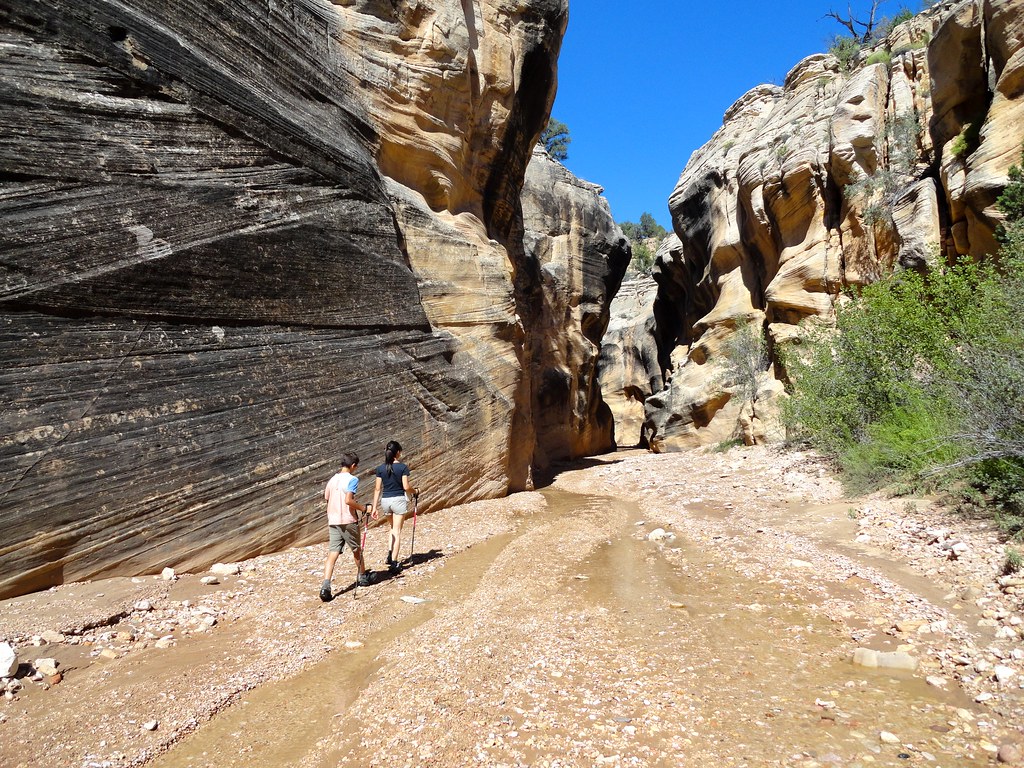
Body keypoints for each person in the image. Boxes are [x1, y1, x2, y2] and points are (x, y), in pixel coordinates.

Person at [320, 452, 375, 602]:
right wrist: (364, 508)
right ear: (353, 466)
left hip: (333, 520)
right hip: (348, 520)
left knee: (333, 553)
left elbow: (326, 498)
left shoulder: (332, 479)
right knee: (356, 549)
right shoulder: (353, 479)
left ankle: (326, 585)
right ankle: (362, 576)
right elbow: (348, 500)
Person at [372, 440, 418, 574]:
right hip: (398, 500)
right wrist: (415, 491)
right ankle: (394, 561)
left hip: (385, 501)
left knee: (392, 528)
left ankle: (390, 554)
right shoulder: (403, 467)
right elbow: (406, 487)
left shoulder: (380, 468)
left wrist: (374, 508)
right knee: (397, 531)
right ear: (398, 453)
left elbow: (377, 489)